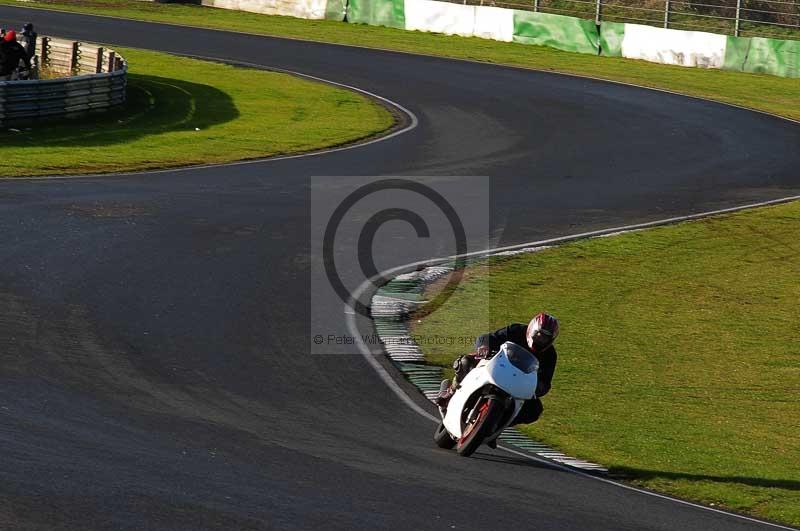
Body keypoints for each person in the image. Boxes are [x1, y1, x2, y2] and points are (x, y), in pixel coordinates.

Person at [436, 312, 560, 435]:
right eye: (538, 334)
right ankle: (450, 393)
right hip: (496, 366)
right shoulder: (516, 330)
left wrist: (538, 388)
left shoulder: (550, 355)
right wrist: (484, 346)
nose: (541, 339)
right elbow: (490, 337)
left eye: (545, 338)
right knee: (465, 362)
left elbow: (546, 382)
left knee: (534, 410)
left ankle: (497, 424)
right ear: (532, 329)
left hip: (518, 384)